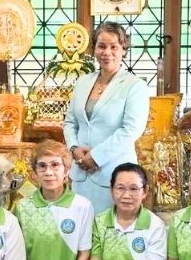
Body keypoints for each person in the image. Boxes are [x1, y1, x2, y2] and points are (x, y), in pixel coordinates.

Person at [64, 22, 149, 214]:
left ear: (123, 50)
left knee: (109, 228)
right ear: (94, 49)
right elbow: (70, 122)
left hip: (114, 175)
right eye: (101, 46)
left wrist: (96, 156)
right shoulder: (82, 82)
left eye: (114, 47)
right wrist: (74, 148)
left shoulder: (134, 85)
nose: (107, 52)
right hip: (81, 174)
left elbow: (131, 130)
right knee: (81, 227)